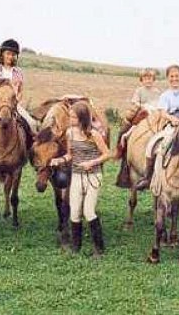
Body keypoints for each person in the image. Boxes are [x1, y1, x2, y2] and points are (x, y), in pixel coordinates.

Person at [49, 102, 111, 257]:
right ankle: (76, 247)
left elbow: (107, 154)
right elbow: (71, 154)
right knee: (74, 213)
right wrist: (60, 160)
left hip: (93, 177)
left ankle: (99, 248)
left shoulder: (94, 135)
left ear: (82, 118)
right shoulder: (70, 133)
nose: (70, 119)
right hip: (76, 176)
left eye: (73, 117)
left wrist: (92, 162)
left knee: (89, 211)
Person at [135, 64, 179, 190]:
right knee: (153, 145)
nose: (174, 79)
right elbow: (163, 112)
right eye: (171, 76)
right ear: (167, 78)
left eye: (177, 76)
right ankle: (148, 176)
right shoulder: (165, 95)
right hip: (173, 122)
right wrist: (173, 119)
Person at [0, 39, 38, 150]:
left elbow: (21, 91)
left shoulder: (18, 72)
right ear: (2, 54)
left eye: (13, 54)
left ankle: (27, 150)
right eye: (8, 53)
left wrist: (16, 100)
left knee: (32, 123)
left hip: (13, 104)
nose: (10, 56)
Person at [115, 68, 162, 187]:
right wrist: (143, 106)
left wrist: (155, 108)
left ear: (153, 79)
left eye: (150, 78)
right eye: (145, 78)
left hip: (155, 114)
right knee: (127, 128)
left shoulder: (157, 91)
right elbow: (135, 102)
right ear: (142, 80)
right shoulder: (139, 91)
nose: (148, 81)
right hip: (143, 112)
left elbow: (161, 104)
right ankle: (122, 150)